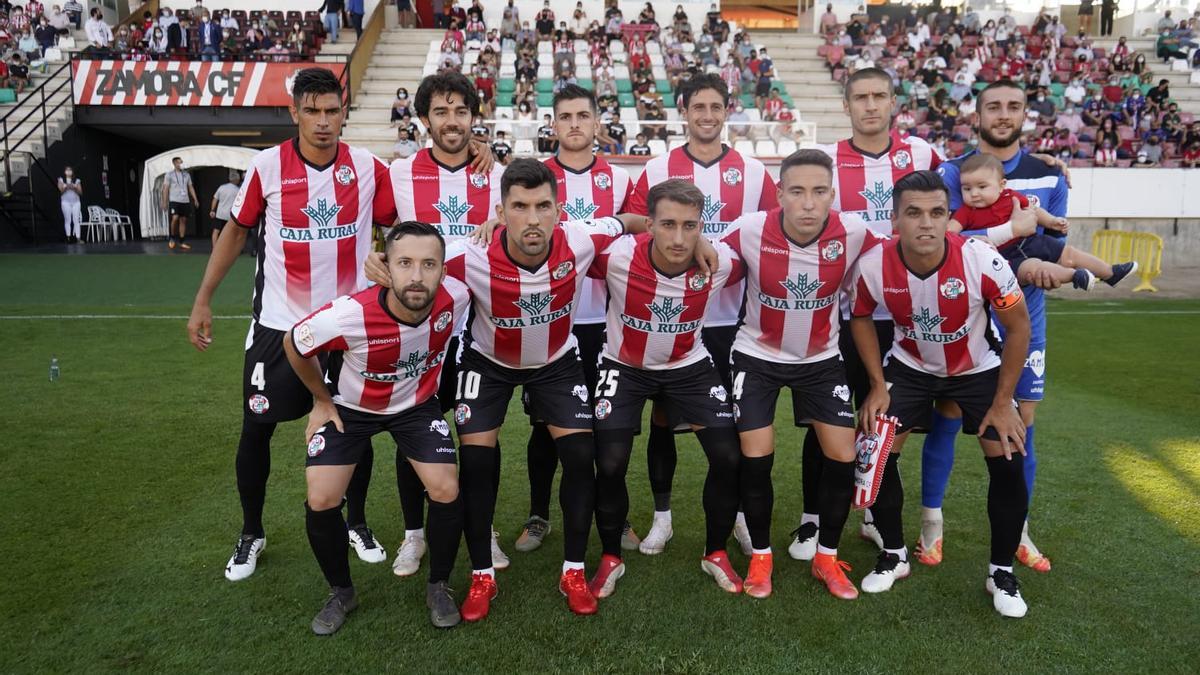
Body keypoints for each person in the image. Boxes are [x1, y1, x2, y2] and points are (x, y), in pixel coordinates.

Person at [365, 160, 664, 619]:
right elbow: (417, 267)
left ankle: (573, 571)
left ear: (559, 210)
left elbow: (632, 220)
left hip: (556, 364)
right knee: (478, 465)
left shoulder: (581, 239)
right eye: (519, 207)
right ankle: (482, 575)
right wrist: (379, 261)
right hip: (489, 364)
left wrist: (695, 238)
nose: (533, 218)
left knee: (581, 460)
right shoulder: (471, 255)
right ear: (500, 212)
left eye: (543, 206)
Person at [186, 68, 397, 584]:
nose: (324, 122)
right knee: (256, 427)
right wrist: (203, 299)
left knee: (355, 426)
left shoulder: (368, 168)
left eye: (333, 110)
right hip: (278, 328)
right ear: (295, 112)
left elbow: (401, 222)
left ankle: (358, 520)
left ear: (343, 110)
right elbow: (235, 235)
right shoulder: (268, 167)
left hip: (347, 328)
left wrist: (382, 256)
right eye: (313, 111)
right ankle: (251, 531)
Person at [850, 169, 1034, 618]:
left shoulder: (981, 260)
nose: (926, 223)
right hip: (910, 369)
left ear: (949, 217)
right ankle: (894, 554)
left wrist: (1002, 401)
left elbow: (1018, 327)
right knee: (875, 451)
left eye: (936, 213)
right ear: (895, 220)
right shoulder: (874, 263)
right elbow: (859, 317)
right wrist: (877, 385)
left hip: (976, 370)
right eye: (913, 213)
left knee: (1010, 456)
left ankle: (1001, 572)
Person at [284, 222, 470, 633]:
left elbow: (491, 242)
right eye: (405, 263)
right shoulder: (350, 314)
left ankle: (439, 585)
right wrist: (321, 399)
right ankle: (341, 591)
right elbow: (295, 341)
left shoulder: (457, 295)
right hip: (350, 410)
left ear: (444, 269)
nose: (417, 276)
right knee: (321, 498)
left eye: (428, 264)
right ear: (386, 266)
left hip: (416, 408)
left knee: (446, 488)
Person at [626, 74, 779, 556]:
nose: (707, 115)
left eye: (716, 106)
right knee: (662, 419)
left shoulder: (754, 172)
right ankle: (662, 518)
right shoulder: (656, 168)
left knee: (734, 426)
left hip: (730, 321)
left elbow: (772, 235)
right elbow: (633, 223)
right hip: (670, 317)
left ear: (727, 110)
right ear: (684, 111)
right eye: (699, 107)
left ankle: (734, 515)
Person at [722, 149, 884, 600]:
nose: (809, 203)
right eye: (797, 192)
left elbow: (905, 252)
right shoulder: (750, 230)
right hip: (756, 358)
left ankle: (827, 558)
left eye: (819, 192)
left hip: (820, 361)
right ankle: (761, 557)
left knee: (843, 456)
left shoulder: (853, 232)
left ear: (833, 194)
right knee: (757, 458)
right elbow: (703, 253)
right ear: (780, 195)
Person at [797, 67, 942, 559]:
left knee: (885, 426)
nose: (871, 105)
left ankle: (878, 519)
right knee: (827, 420)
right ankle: (811, 520)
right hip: (843, 313)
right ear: (846, 106)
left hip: (904, 317)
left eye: (880, 95)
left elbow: (964, 189)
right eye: (861, 97)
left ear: (894, 102)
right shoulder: (829, 163)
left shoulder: (921, 154)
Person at [930, 80, 1073, 573]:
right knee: (947, 414)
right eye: (994, 106)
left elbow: (1051, 242)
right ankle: (933, 527)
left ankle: (1019, 534)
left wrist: (1043, 268)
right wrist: (1010, 236)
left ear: (1026, 113)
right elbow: (942, 238)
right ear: (977, 113)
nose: (1003, 114)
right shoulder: (951, 172)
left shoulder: (1048, 175)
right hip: (963, 313)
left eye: (1013, 106)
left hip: (1024, 314)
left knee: (1021, 425)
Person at [587, 179, 744, 600]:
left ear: (701, 227)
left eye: (690, 226)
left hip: (689, 367)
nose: (679, 238)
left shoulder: (721, 262)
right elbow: (560, 244)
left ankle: (715, 551)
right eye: (668, 224)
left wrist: (706, 240)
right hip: (625, 365)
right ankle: (609, 557)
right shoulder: (617, 256)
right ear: (649, 224)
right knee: (611, 461)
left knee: (729, 455)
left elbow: (759, 254)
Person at [386, 70, 502, 579]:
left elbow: (530, 215)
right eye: (441, 112)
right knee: (412, 431)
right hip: (420, 327)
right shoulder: (400, 173)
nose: (452, 122)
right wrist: (375, 261)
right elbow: (378, 234)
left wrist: (501, 217)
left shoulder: (496, 173)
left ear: (474, 118)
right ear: (424, 119)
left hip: (478, 327)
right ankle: (414, 534)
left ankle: (483, 529)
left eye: (461, 112)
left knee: (476, 438)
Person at [517, 85, 635, 555]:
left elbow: (632, 239)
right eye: (564, 116)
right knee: (544, 426)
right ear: (553, 123)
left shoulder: (620, 180)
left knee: (608, 427)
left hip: (605, 324)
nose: (574, 124)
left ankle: (616, 517)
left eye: (583, 115)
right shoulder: (534, 176)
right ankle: (539, 514)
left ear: (597, 123)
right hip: (548, 322)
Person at [950, 153, 1136, 290]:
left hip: (1031, 241)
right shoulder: (966, 212)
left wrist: (1052, 221)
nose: (974, 193)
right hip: (1003, 257)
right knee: (1035, 269)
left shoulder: (1010, 197)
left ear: (1001, 186)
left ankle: (1110, 272)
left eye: (982, 187)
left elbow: (1034, 210)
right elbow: (950, 233)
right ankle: (1075, 276)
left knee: (1068, 253)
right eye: (967, 188)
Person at [161, 157, 199, 250]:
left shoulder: (186, 174)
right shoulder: (169, 174)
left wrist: (195, 199)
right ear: (174, 163)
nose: (181, 164)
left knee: (183, 220)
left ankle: (182, 241)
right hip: (174, 200)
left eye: (181, 162)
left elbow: (190, 187)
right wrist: (164, 202)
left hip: (185, 200)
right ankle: (172, 238)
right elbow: (165, 189)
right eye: (179, 162)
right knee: (175, 218)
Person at [205, 170, 241, 248]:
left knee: (216, 231)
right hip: (230, 216)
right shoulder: (238, 190)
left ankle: (215, 248)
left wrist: (212, 210)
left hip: (220, 214)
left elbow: (215, 199)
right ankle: (229, 248)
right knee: (231, 233)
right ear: (237, 180)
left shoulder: (222, 187)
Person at [58, 165, 82, 243]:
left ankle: (78, 238)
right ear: (64, 172)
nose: (69, 171)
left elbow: (81, 192)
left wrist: (74, 188)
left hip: (76, 202)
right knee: (68, 220)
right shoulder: (61, 179)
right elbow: (60, 191)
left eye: (70, 170)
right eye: (67, 170)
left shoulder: (77, 180)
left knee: (76, 220)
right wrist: (66, 187)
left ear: (72, 172)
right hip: (65, 202)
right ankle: (68, 237)